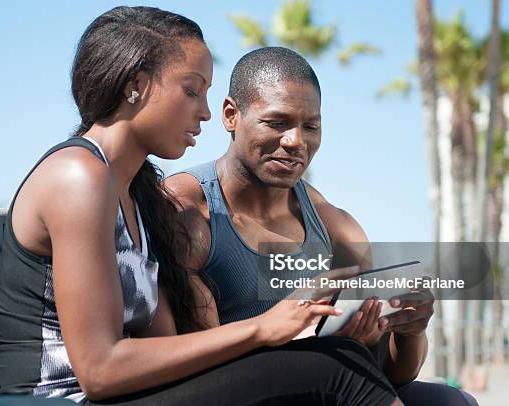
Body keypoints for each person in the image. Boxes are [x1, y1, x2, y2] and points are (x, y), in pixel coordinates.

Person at [0, 7, 402, 405]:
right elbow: (99, 370)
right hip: (69, 399)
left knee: (337, 360)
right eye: (191, 90)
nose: (205, 113)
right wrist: (263, 328)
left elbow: (166, 349)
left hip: (134, 394)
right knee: (334, 371)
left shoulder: (137, 194)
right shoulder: (78, 177)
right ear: (135, 85)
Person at [165, 46, 478, 406]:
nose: (296, 141)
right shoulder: (188, 211)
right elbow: (200, 369)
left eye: (311, 126)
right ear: (231, 115)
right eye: (277, 122)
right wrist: (316, 351)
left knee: (450, 401)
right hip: (235, 393)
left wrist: (410, 331)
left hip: (332, 386)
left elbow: (391, 376)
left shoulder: (336, 227)